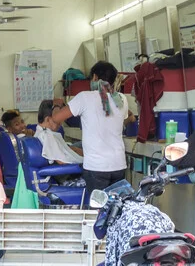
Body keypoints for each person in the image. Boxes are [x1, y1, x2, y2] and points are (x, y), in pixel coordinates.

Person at [51, 61, 137, 194]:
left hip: (96, 168)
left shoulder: (84, 97)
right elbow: (118, 119)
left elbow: (56, 119)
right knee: (115, 209)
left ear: (95, 77)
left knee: (98, 209)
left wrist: (57, 105)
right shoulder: (121, 99)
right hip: (118, 165)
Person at [35, 99, 83, 165]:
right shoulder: (46, 135)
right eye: (57, 120)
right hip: (68, 171)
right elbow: (61, 161)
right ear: (48, 119)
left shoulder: (41, 133)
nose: (60, 123)